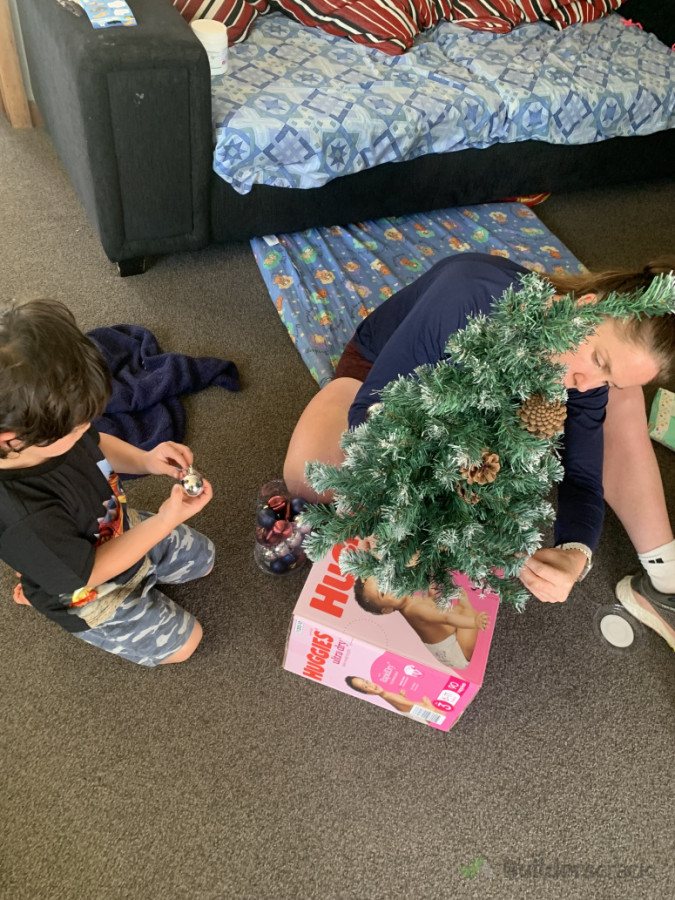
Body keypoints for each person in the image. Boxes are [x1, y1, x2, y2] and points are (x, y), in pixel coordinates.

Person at [284, 252, 675, 636]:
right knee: (312, 481)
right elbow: (373, 410)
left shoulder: (583, 382)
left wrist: (576, 553)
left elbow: (584, 477)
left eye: (607, 379)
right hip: (387, 378)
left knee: (610, 405)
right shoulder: (467, 296)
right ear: (584, 309)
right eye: (599, 360)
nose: (586, 386)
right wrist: (397, 502)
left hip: (480, 411)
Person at [1, 298, 214, 666]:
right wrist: (166, 520)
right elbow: (91, 572)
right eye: (76, 427)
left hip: (114, 528)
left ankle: (43, 568)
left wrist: (146, 459)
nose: (86, 428)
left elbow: (97, 442)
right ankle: (42, 586)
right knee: (187, 643)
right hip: (87, 588)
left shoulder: (48, 430)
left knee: (204, 558)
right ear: (11, 439)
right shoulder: (21, 516)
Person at [354, 576, 489, 669]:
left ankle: (464, 610)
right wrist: (474, 622)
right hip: (456, 653)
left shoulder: (412, 602)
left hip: (447, 640)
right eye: (383, 593)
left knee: (457, 609)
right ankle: (468, 610)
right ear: (388, 609)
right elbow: (446, 617)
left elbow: (432, 606)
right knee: (468, 613)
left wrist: (432, 588)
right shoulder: (415, 610)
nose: (391, 587)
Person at [345, 675, 438, 716]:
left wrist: (402, 697)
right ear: (368, 693)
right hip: (431, 712)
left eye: (366, 681)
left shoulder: (387, 696)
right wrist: (427, 704)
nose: (370, 685)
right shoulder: (387, 696)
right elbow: (412, 706)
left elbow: (403, 705)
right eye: (365, 686)